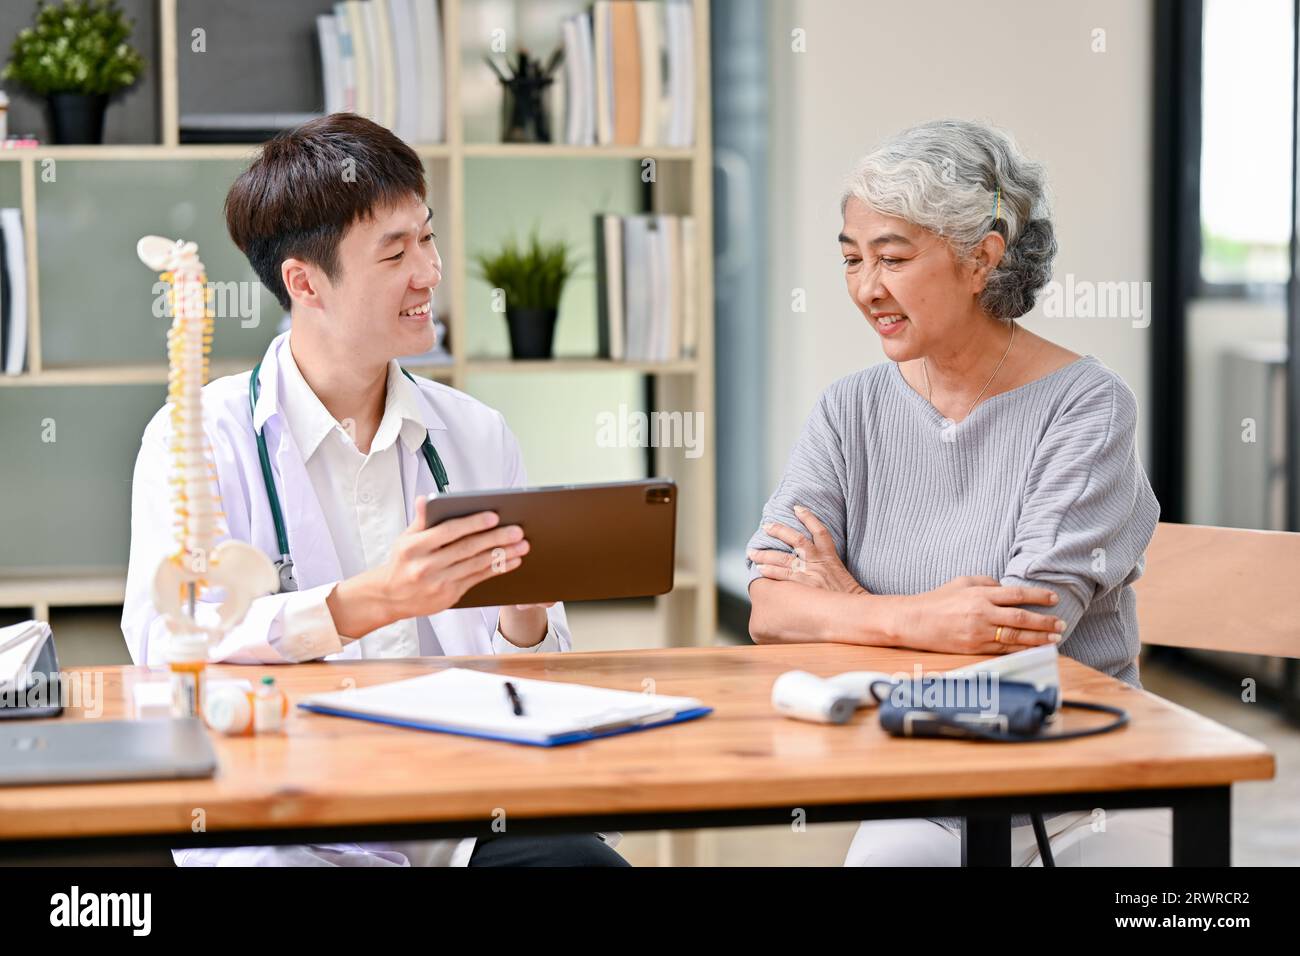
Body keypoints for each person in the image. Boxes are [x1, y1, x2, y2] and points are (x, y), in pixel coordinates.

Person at [122, 113, 626, 867]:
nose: (430, 272)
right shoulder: (196, 437)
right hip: (285, 816)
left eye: (426, 238)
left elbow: (537, 672)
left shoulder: (475, 434)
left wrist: (523, 608)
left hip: (459, 807)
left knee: (579, 865)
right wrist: (371, 600)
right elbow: (168, 648)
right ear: (304, 282)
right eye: (395, 252)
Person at [746, 119, 1168, 866]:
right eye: (851, 260)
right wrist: (924, 617)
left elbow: (1019, 636)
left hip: (1083, 787)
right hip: (925, 785)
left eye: (893, 258)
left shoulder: (1088, 406)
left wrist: (845, 608)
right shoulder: (849, 410)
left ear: (982, 259)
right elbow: (771, 609)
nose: (866, 287)